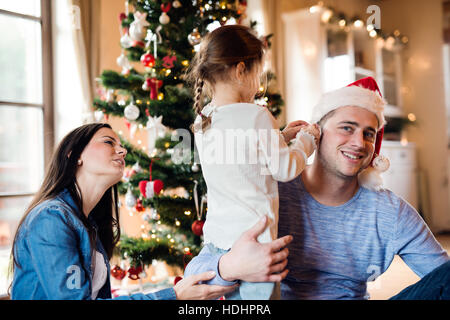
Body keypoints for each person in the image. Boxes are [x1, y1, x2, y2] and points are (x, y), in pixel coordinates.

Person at [185, 77, 450, 300]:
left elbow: (442, 277)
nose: (359, 142)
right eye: (347, 128)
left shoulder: (390, 212)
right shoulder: (269, 192)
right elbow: (195, 274)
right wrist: (229, 266)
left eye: (369, 134)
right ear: (316, 132)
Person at [9, 123, 237, 300]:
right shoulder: (50, 219)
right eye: (109, 142)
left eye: (120, 144)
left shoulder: (90, 224)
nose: (122, 150)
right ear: (74, 155)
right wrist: (174, 295)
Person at [184, 25, 320, 300]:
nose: (259, 82)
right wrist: (306, 141)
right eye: (258, 74)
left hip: (219, 242)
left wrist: (281, 137)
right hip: (257, 245)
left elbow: (240, 157)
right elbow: (284, 169)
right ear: (240, 70)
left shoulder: (204, 119)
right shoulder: (257, 116)